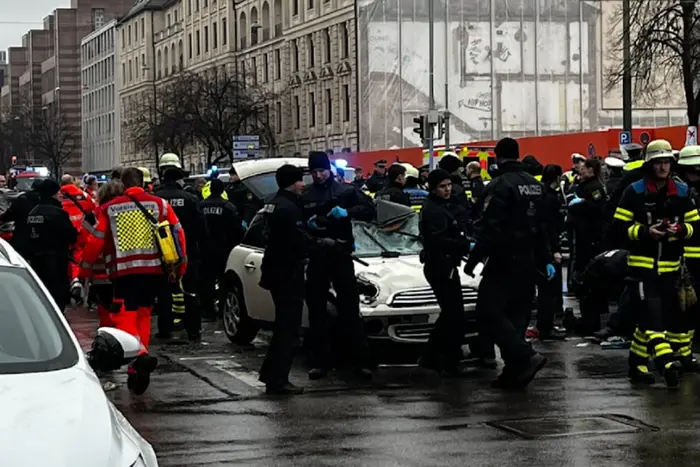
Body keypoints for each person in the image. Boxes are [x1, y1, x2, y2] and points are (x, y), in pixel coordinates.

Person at [81, 167, 187, 395]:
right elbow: (178, 234)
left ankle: (139, 355)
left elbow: (95, 243)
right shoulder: (160, 204)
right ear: (144, 182)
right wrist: (180, 268)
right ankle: (138, 363)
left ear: (124, 184)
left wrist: (84, 271)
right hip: (154, 271)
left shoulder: (110, 208)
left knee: (123, 315)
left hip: (125, 272)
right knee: (144, 313)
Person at [464, 137, 553, 389]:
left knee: (488, 312)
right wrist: (545, 258)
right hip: (529, 260)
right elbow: (541, 227)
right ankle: (515, 372)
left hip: (504, 259)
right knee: (517, 316)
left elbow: (490, 228)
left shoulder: (500, 186)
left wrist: (474, 259)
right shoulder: (534, 185)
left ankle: (525, 356)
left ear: (497, 156)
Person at [610, 139, 698, 386]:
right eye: (658, 162)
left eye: (666, 162)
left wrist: (680, 230)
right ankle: (667, 363)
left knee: (652, 320)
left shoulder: (681, 193)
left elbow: (697, 227)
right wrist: (645, 231)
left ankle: (637, 364)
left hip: (671, 270)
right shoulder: (634, 192)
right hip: (642, 268)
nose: (662, 167)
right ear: (649, 164)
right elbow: (617, 230)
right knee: (653, 316)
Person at [302, 151, 375, 380]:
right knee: (317, 311)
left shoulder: (345, 190)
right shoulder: (307, 195)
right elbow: (299, 224)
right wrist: (309, 224)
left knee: (350, 309)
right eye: (314, 172)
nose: (318, 175)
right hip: (317, 256)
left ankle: (361, 362)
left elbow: (370, 210)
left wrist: (347, 213)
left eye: (321, 171)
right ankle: (321, 362)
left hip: (341, 254)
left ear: (329, 170)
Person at [258, 165, 331, 395]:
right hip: (287, 271)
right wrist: (324, 244)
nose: (303, 185)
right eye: (300, 181)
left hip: (274, 269)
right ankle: (278, 380)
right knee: (288, 328)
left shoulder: (272, 202)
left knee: (283, 325)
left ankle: (271, 374)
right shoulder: (289, 207)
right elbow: (297, 240)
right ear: (292, 182)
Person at [418, 169, 472, 375]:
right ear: (433, 188)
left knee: (453, 312)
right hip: (439, 265)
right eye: (442, 186)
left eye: (449, 185)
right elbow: (438, 240)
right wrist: (464, 245)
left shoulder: (445, 206)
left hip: (447, 264)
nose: (447, 189)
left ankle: (440, 354)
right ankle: (438, 355)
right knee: (452, 312)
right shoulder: (432, 210)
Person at [156, 153, 206, 342]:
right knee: (190, 290)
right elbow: (201, 227)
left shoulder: (156, 199)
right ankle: (193, 329)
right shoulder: (190, 198)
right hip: (187, 251)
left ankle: (165, 328)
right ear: (178, 179)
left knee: (164, 292)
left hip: (162, 253)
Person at [23, 180, 78, 312]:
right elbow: (71, 235)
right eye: (58, 192)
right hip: (56, 258)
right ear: (52, 194)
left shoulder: (33, 212)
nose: (60, 194)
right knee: (57, 292)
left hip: (37, 259)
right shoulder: (58, 213)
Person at [670, 144, 700, 372]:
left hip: (692, 259)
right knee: (682, 308)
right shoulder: (679, 191)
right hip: (682, 260)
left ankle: (685, 351)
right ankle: (680, 352)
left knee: (689, 309)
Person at [200, 178, 246, 321]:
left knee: (206, 280)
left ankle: (208, 310)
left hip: (205, 249)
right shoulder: (228, 207)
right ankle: (221, 310)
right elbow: (237, 229)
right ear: (222, 190)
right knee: (223, 280)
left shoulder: (201, 206)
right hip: (224, 249)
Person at [81, 179, 125, 328]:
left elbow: (84, 243)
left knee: (105, 311)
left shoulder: (92, 216)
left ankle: (107, 340)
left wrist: (83, 273)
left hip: (100, 273)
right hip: (125, 270)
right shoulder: (128, 212)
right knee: (126, 312)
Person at [530, 164, 566, 340]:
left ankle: (543, 325)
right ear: (557, 178)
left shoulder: (539, 193)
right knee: (548, 289)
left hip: (537, 246)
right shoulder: (550, 197)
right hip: (547, 247)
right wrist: (555, 249)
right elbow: (550, 227)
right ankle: (546, 326)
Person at [567, 159, 607, 285]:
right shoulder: (581, 184)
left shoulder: (595, 187)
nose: (580, 170)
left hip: (591, 232)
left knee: (587, 259)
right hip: (580, 230)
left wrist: (581, 203)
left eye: (583, 168)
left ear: (591, 170)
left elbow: (596, 207)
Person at [0, 178, 42, 258]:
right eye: (1, 181)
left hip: (14, 232)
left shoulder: (21, 200)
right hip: (9, 229)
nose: (4, 184)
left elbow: (9, 214)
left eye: (4, 181)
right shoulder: (5, 192)